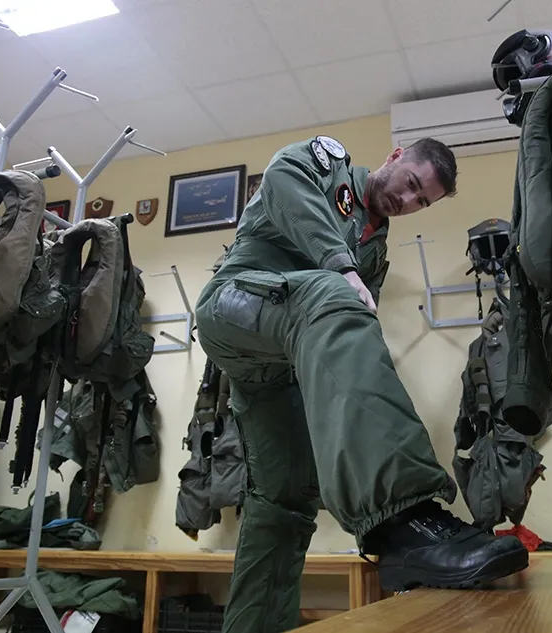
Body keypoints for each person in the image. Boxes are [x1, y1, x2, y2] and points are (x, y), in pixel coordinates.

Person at [194, 135, 529, 633]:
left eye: (422, 202)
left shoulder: (375, 249)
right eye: (410, 183)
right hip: (234, 306)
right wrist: (340, 264)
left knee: (286, 498)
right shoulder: (328, 167)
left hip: (278, 366)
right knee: (333, 293)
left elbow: (347, 342)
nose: (407, 201)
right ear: (394, 157)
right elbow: (283, 180)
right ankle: (403, 520)